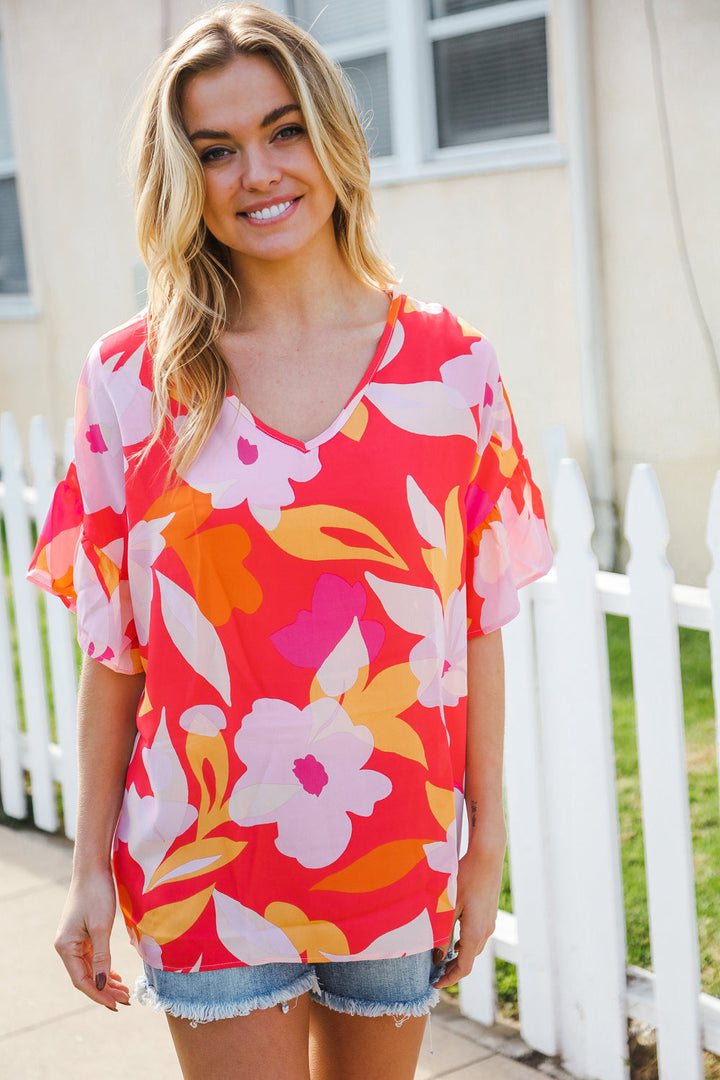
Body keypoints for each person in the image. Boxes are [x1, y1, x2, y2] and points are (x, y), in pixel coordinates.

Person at [28, 5, 553, 1078]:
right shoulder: (131, 380)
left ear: (332, 136)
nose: (257, 173)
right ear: (182, 175)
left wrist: (484, 849)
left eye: (283, 130)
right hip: (204, 863)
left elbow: (475, 626)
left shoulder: (452, 367)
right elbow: (115, 649)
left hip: (395, 846)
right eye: (215, 150)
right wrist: (86, 872)